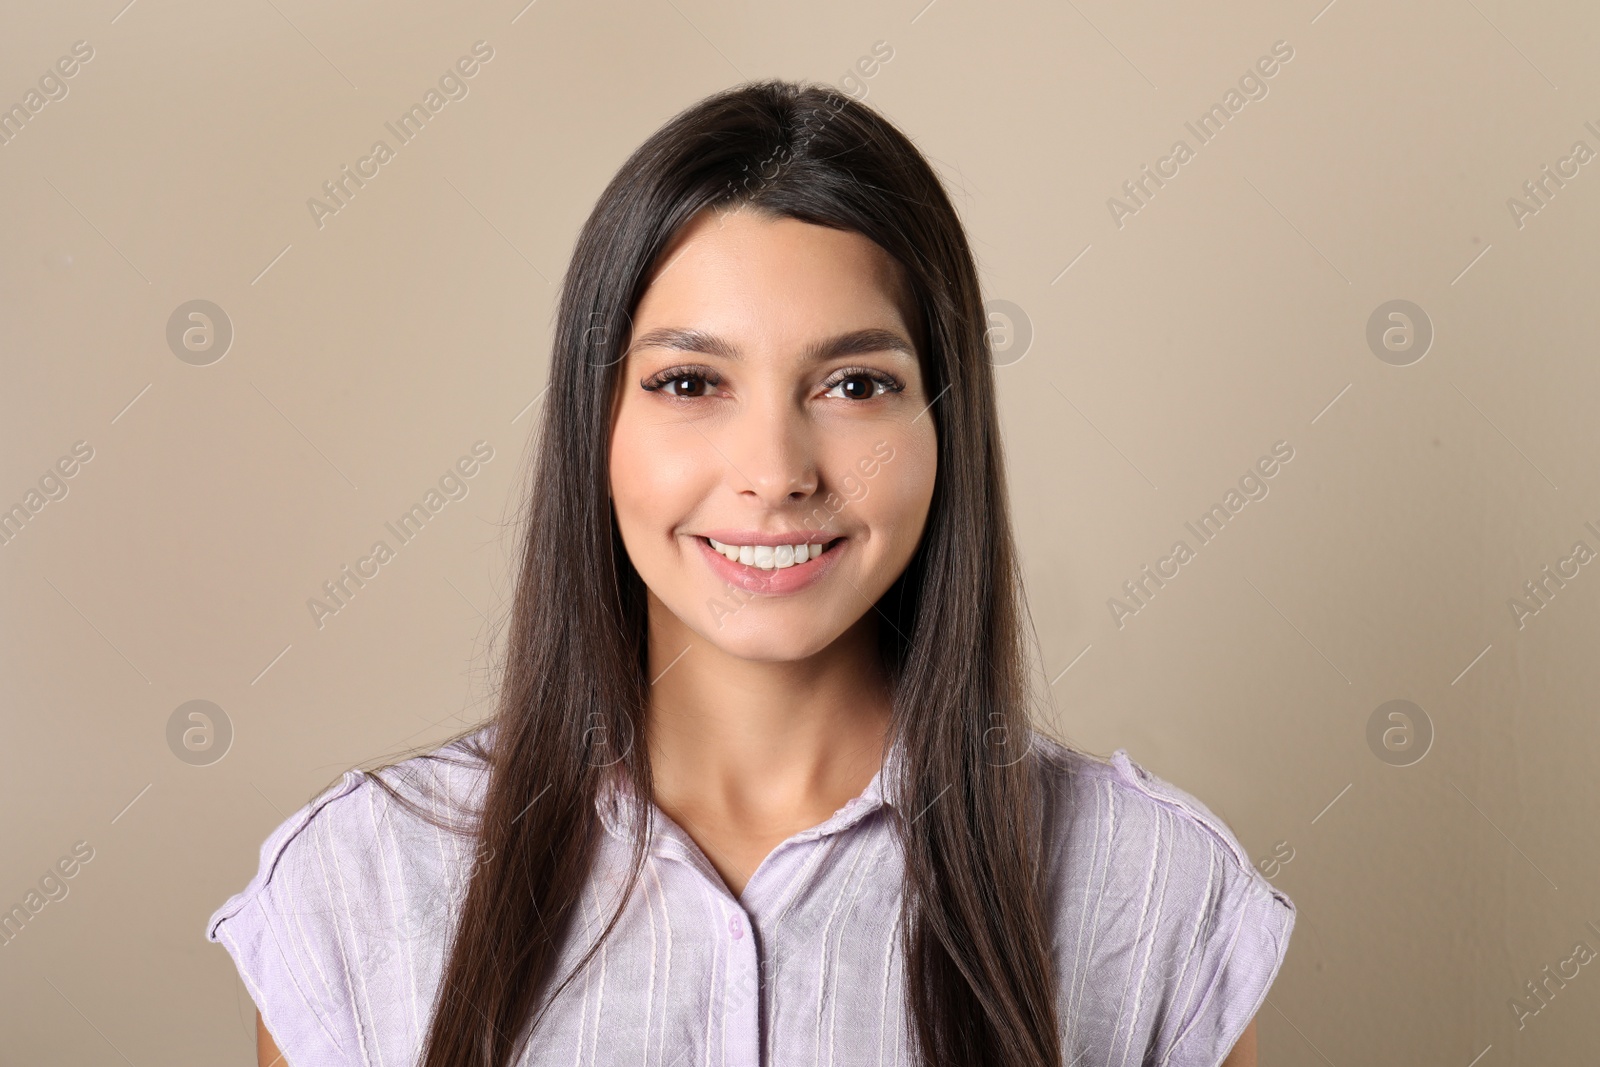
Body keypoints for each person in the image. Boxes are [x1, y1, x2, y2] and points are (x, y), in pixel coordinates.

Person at [207, 79, 1294, 1067]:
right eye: (689, 382)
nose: (775, 473)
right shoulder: (360, 887)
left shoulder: (1152, 892)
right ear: (597, 424)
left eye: (856, 384)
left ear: (944, 428)